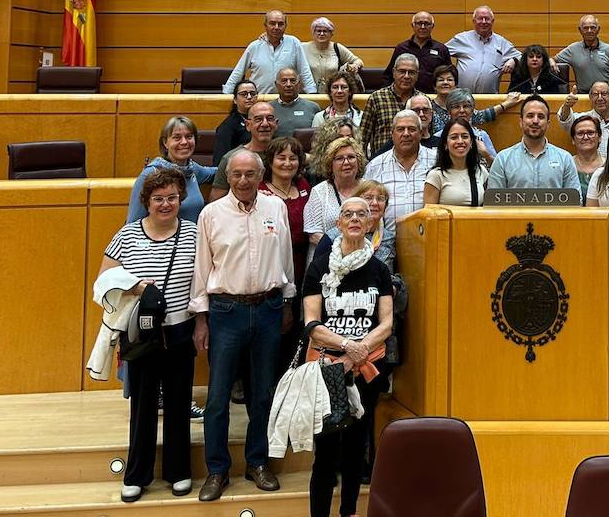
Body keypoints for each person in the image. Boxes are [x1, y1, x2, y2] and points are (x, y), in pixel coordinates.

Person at [191, 148, 295, 501]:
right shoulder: (211, 214)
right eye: (236, 174)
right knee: (218, 396)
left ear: (259, 176)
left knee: (263, 393)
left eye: (250, 174)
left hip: (268, 307)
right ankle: (217, 470)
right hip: (225, 312)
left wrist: (286, 302)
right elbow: (201, 271)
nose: (243, 180)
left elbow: (285, 260)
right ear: (228, 176)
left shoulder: (275, 208)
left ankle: (257, 462)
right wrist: (201, 320)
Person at [97, 167, 199, 502]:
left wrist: (203, 322)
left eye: (171, 197)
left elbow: (204, 281)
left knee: (178, 401)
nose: (165, 204)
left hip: (180, 330)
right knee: (142, 405)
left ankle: (178, 471)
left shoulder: (194, 233)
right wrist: (137, 287)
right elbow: (103, 283)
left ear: (180, 199)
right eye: (158, 198)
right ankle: (136, 474)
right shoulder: (126, 235)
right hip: (140, 334)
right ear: (147, 201)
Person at [302, 196, 394, 517]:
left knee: (356, 448)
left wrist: (359, 349)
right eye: (347, 214)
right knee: (325, 451)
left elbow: (386, 323)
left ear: (370, 224)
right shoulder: (319, 266)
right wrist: (346, 345)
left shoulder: (379, 269)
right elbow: (312, 324)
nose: (354, 218)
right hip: (328, 368)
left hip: (365, 367)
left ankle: (349, 512)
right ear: (338, 223)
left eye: (362, 214)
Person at [364, 110, 437, 267]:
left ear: (421, 132)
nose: (406, 134)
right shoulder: (375, 166)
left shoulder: (436, 162)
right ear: (392, 134)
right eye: (400, 129)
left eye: (411, 129)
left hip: (428, 246)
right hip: (385, 247)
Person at [127, 116, 216, 225]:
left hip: (191, 238)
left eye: (189, 136)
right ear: (165, 142)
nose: (184, 142)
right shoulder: (151, 174)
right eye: (177, 137)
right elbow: (132, 224)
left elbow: (215, 172)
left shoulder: (192, 169)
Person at [488, 95, 580, 190]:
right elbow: (494, 201)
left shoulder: (565, 159)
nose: (535, 121)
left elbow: (575, 201)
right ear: (521, 122)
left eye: (540, 116)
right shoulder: (503, 159)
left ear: (548, 124)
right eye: (530, 116)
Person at [223, 9, 316, 95]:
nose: (276, 27)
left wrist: (312, 93)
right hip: (259, 100)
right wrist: (226, 94)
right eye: (272, 23)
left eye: (280, 24)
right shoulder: (254, 46)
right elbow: (238, 72)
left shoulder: (294, 43)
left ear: (285, 26)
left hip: (287, 101)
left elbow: (304, 71)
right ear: (265, 25)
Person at [259, 137, 312, 285]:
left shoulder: (303, 185)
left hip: (303, 256)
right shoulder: (259, 190)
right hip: (273, 260)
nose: (287, 163)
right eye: (281, 158)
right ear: (270, 161)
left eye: (293, 158)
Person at [209, 101, 279, 201]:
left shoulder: (285, 157)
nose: (265, 124)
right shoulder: (231, 159)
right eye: (258, 119)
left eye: (270, 119)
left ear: (276, 124)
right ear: (247, 125)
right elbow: (216, 202)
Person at [304, 137, 364, 248]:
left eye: (351, 157)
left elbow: (375, 226)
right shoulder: (319, 192)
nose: (346, 162)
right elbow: (314, 234)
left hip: (363, 255)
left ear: (358, 161)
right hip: (327, 256)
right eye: (339, 158)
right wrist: (343, 249)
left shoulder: (368, 189)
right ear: (330, 164)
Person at [358, 54, 422, 158]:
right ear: (393, 72)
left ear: (417, 75)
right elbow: (362, 137)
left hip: (417, 165)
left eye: (411, 72)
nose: (406, 76)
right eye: (402, 71)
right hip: (380, 165)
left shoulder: (422, 101)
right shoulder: (377, 98)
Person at [445, 5, 520, 93]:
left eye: (487, 19)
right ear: (474, 21)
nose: (484, 22)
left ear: (492, 21)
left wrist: (514, 60)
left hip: (490, 98)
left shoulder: (502, 42)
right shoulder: (462, 38)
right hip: (462, 98)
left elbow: (523, 57)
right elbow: (441, 52)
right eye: (480, 18)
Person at [423, 118, 488, 206]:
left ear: (471, 142)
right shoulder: (436, 175)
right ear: (445, 144)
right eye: (454, 137)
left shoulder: (481, 171)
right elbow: (429, 215)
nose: (460, 141)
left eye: (465, 136)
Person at [384, 11, 451, 92]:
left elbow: (449, 75)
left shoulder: (441, 49)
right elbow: (389, 75)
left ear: (432, 26)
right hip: (405, 96)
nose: (423, 27)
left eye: (427, 24)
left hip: (432, 97)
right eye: (419, 23)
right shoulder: (401, 48)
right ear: (413, 25)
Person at [555, 15, 609, 92]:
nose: (589, 31)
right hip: (584, 95)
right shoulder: (573, 49)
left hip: (606, 94)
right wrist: (551, 60)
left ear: (598, 29)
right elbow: (553, 59)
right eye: (585, 28)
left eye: (593, 27)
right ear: (580, 30)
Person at [302, 17, 363, 94]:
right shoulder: (303, 47)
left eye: (325, 31)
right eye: (318, 31)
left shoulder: (337, 48)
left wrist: (354, 66)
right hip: (309, 94)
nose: (321, 34)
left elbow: (358, 61)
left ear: (331, 34)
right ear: (313, 33)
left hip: (333, 94)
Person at [557, 80, 609, 152]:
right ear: (590, 97)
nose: (600, 98)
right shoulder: (582, 120)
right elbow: (565, 122)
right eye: (595, 94)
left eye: (604, 94)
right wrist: (567, 106)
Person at [443, 89, 501, 166]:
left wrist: (485, 153)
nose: (462, 110)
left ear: (472, 110)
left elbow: (498, 168)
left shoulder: (482, 135)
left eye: (466, 106)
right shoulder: (440, 136)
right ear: (449, 111)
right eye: (456, 107)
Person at [214, 80, 257, 164]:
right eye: (244, 94)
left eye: (252, 93)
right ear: (235, 100)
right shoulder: (227, 126)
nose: (249, 97)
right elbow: (220, 161)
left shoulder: (262, 120)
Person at [268, 67, 320, 134]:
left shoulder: (313, 107)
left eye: (293, 81)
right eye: (284, 81)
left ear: (299, 84)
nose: (288, 84)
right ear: (276, 84)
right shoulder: (268, 108)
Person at [568, 112, 607, 200]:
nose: (585, 137)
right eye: (580, 133)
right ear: (573, 139)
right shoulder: (566, 165)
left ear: (600, 137)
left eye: (590, 133)